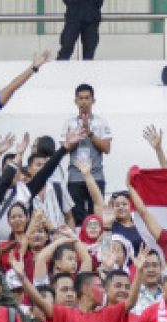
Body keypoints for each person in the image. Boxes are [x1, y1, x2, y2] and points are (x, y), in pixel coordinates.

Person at [62, 84, 112, 222]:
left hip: (96, 176)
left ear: (93, 100)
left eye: (87, 98)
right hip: (75, 177)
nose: (84, 101)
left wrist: (90, 133)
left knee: (97, 218)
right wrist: (76, 137)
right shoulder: (69, 123)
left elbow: (106, 149)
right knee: (76, 219)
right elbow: (65, 149)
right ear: (76, 101)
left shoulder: (102, 122)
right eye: (81, 98)